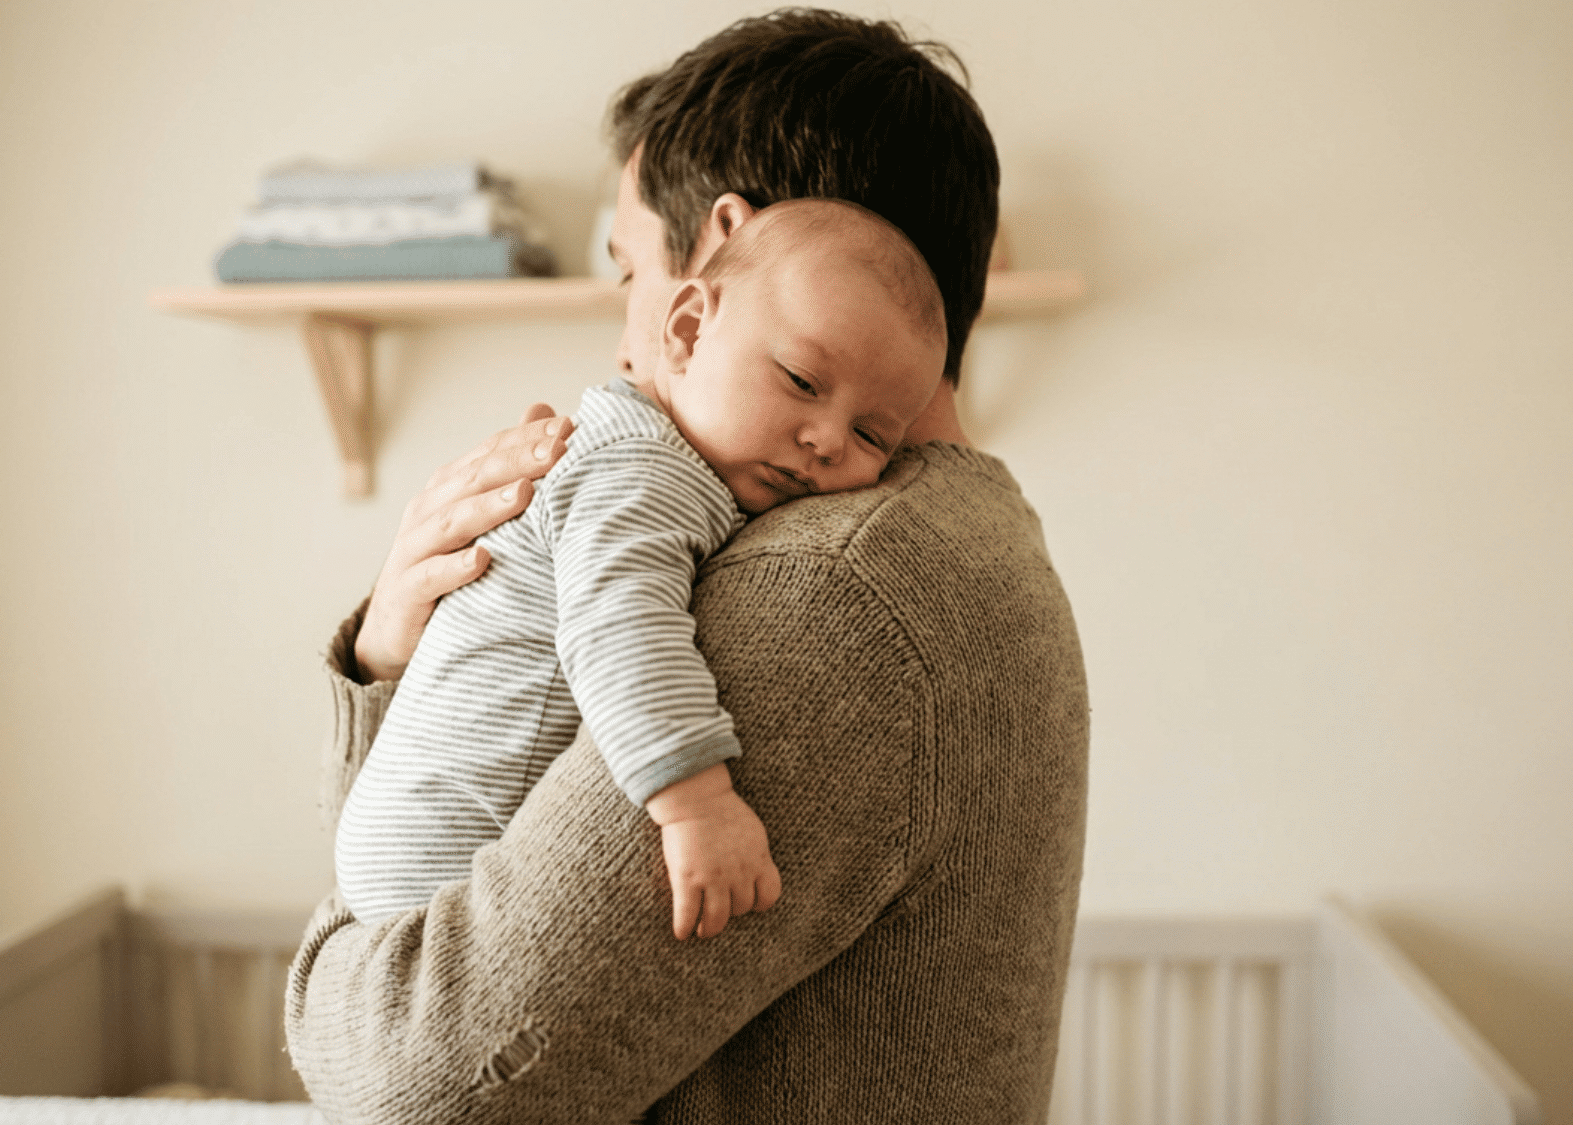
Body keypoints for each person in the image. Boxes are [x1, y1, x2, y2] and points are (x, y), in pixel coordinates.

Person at [286, 9, 1089, 1123]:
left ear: (713, 257)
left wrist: (338, 942)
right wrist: (397, 666)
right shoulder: (941, 537)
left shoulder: (827, 595)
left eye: (628, 271)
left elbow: (417, 1087)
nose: (624, 342)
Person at [334, 199, 947, 941]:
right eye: (801, 380)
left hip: (415, 833)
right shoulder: (645, 470)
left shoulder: (649, 455)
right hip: (447, 846)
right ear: (688, 331)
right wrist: (696, 802)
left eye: (871, 434)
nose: (823, 440)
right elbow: (620, 629)